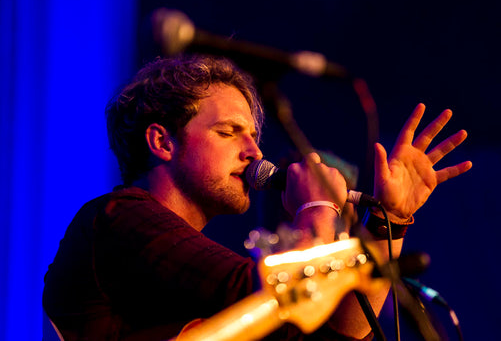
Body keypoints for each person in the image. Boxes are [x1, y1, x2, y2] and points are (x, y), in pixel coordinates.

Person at [42, 54, 472, 341]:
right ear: (162, 142)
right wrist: (317, 207)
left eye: (254, 135)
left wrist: (389, 220)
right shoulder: (117, 220)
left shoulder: (198, 271)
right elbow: (292, 289)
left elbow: (335, 335)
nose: (254, 151)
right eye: (228, 133)